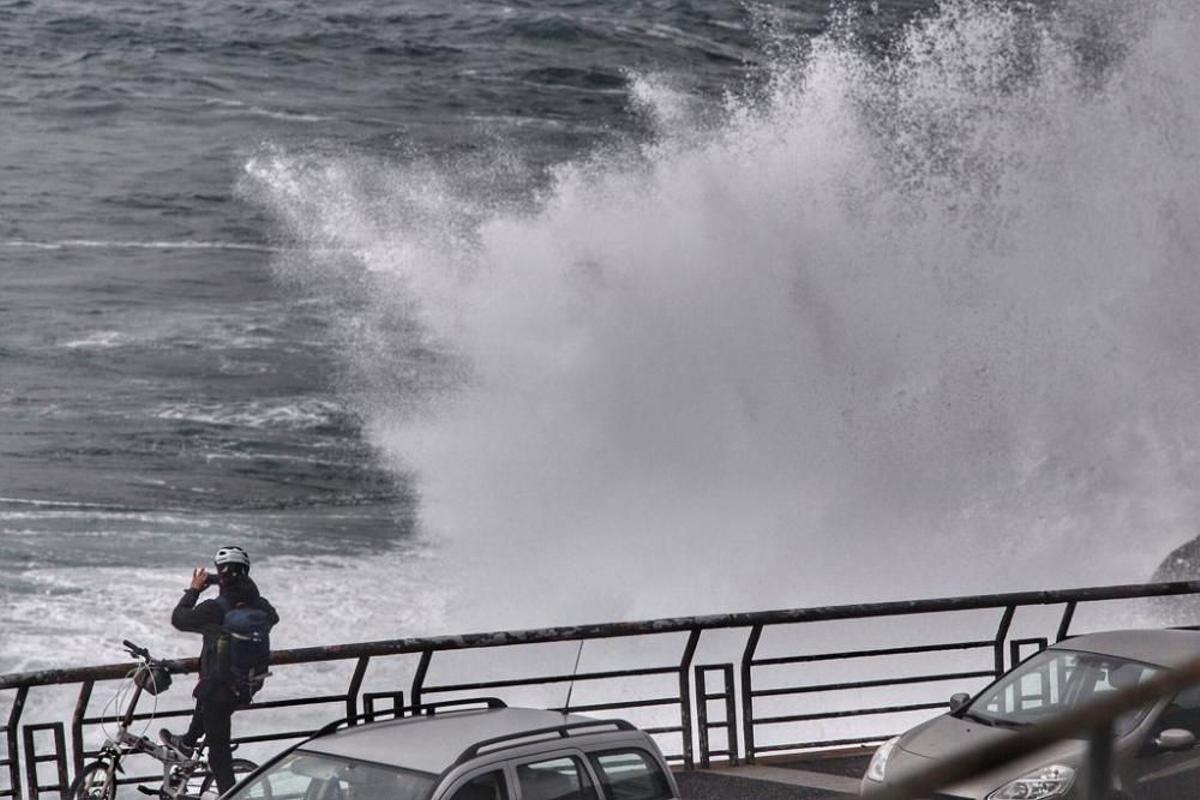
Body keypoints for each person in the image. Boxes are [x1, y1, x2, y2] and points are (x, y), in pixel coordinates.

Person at [160, 546, 279, 795]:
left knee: (219, 755)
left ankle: (228, 793)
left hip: (219, 688)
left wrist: (194, 589)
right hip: (247, 682)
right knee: (205, 708)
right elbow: (273, 618)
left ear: (219, 572)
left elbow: (179, 619)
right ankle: (188, 742)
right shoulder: (261, 605)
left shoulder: (216, 609)